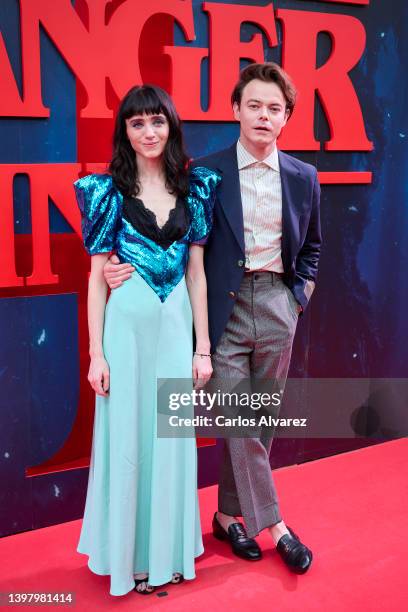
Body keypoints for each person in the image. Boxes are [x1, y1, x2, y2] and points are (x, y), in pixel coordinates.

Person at [104, 63, 322, 575]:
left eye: (274, 109)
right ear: (236, 110)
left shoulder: (304, 177)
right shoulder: (206, 173)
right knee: (238, 421)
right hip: (221, 310)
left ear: (286, 117)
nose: (263, 116)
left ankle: (228, 515)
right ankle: (277, 527)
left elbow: (311, 247)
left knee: (259, 422)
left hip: (277, 305)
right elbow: (170, 229)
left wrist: (297, 299)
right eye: (254, 106)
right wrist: (124, 263)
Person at [73, 84, 221, 597]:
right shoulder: (105, 192)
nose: (148, 131)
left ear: (171, 126)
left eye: (157, 121)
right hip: (127, 329)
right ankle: (134, 558)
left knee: (172, 438)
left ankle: (171, 553)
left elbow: (197, 273)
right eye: (137, 123)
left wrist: (203, 348)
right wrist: (97, 353)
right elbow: (96, 278)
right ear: (126, 132)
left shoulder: (194, 189)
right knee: (131, 439)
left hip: (177, 326)